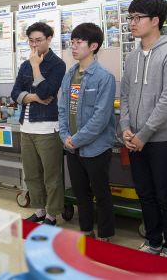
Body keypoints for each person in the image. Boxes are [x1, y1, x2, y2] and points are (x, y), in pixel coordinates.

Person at [120, 0, 167, 259]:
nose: (132, 23)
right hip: (135, 138)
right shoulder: (132, 57)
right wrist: (125, 127)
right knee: (145, 193)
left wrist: (144, 134)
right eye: (131, 17)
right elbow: (124, 95)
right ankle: (153, 241)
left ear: (155, 20)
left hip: (162, 139)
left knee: (166, 195)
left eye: (138, 18)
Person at [58, 23, 116, 241]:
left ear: (93, 46)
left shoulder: (104, 76)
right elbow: (63, 109)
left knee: (102, 195)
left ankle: (105, 236)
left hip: (95, 147)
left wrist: (77, 139)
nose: (73, 47)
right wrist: (65, 137)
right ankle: (86, 232)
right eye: (71, 42)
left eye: (78, 43)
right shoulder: (69, 75)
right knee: (81, 193)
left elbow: (101, 118)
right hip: (72, 147)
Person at [11, 22, 66, 226]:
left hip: (47, 128)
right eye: (31, 41)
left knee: (51, 177)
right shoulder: (24, 65)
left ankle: (52, 215)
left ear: (49, 39)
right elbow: (14, 94)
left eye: (38, 41)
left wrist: (36, 65)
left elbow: (46, 92)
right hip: (26, 127)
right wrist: (34, 98)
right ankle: (40, 211)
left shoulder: (57, 64)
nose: (34, 45)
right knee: (32, 175)